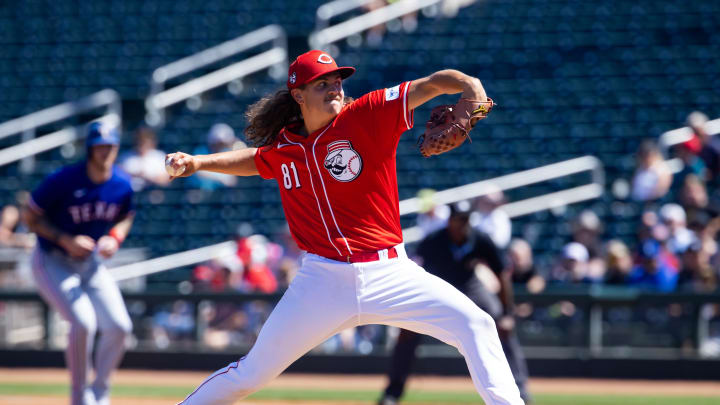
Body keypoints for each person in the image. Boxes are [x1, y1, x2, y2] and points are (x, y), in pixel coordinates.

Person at [168, 50, 523, 404]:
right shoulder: (287, 146)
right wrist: (199, 163)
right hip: (322, 281)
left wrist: (470, 86)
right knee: (250, 374)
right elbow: (257, 161)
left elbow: (434, 84)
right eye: (323, 84)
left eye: (337, 82)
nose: (335, 89)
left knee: (477, 325)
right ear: (298, 94)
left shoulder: (369, 113)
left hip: (390, 272)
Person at [23, 121, 135, 405]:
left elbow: (125, 216)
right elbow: (30, 217)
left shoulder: (121, 184)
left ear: (117, 147)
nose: (105, 151)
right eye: (99, 146)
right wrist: (64, 239)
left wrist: (114, 238)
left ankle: (100, 392)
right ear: (89, 148)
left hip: (91, 263)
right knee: (83, 322)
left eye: (110, 146)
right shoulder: (64, 180)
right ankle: (79, 397)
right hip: (52, 259)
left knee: (120, 326)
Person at [378, 201, 531, 405]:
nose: (463, 224)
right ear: (449, 221)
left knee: (501, 325)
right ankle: (392, 393)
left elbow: (501, 274)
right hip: (438, 288)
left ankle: (520, 392)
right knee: (406, 332)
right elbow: (412, 266)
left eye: (466, 219)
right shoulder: (435, 240)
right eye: (459, 220)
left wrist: (507, 314)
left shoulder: (479, 238)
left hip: (470, 288)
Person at [119, 126, 170, 191]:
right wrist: (133, 175)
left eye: (145, 141)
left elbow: (166, 180)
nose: (142, 144)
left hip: (153, 194)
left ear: (152, 142)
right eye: (139, 140)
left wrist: (148, 177)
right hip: (129, 193)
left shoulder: (159, 157)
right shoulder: (125, 157)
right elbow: (118, 177)